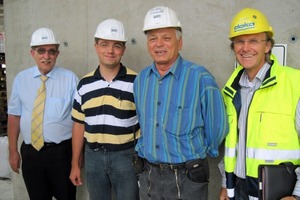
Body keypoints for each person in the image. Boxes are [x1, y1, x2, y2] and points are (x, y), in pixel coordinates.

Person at [134, 6, 228, 200]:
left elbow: (217, 128)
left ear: (180, 42)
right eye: (153, 38)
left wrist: (202, 150)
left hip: (188, 179)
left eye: (166, 38)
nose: (159, 44)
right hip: (148, 175)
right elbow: (143, 123)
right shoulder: (141, 80)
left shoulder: (200, 78)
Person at [219, 8, 300, 200]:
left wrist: (297, 195)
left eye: (254, 40)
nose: (245, 48)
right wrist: (224, 184)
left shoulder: (294, 83)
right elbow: (232, 145)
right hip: (238, 191)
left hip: (278, 193)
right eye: (239, 42)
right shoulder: (230, 89)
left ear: (268, 46)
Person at [69, 18, 140, 200]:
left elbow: (146, 124)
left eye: (116, 45)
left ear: (123, 49)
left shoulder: (137, 82)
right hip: (93, 158)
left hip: (126, 158)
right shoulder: (84, 84)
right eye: (104, 44)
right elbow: (78, 125)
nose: (110, 50)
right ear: (96, 47)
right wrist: (75, 164)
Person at [7, 27, 78, 200]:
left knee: (66, 197)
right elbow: (14, 116)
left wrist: (77, 157)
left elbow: (79, 121)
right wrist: (13, 151)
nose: (46, 56)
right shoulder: (21, 79)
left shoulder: (70, 79)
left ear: (57, 54)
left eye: (51, 51)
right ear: (32, 53)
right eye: (41, 51)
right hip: (31, 154)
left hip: (61, 154)